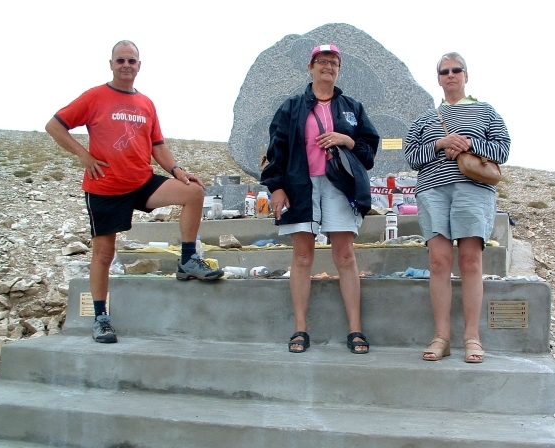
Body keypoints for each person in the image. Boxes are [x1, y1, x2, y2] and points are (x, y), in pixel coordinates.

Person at [45, 40, 223, 344]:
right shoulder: (94, 97)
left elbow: (157, 145)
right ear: (111, 64)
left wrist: (177, 171)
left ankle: (188, 261)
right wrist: (83, 156)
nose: (126, 65)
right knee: (104, 254)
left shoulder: (146, 103)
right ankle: (101, 318)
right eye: (120, 60)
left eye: (132, 61)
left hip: (141, 182)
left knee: (193, 191)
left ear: (139, 66)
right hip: (106, 187)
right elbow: (54, 125)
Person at [260, 44, 379, 354]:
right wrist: (276, 188)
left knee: (345, 256)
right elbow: (277, 150)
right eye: (322, 61)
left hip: (340, 186)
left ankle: (355, 329)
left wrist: (346, 139)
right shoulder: (291, 107)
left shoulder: (352, 107)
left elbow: (368, 153)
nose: (328, 66)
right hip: (301, 186)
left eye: (334, 62)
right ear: (310, 67)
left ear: (339, 69)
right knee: (302, 257)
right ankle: (300, 328)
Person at [404, 52, 510, 363]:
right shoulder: (426, 118)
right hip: (433, 190)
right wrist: (439, 144)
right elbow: (411, 156)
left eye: (456, 70)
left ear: (466, 75)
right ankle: (442, 337)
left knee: (470, 261)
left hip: (473, 190)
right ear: (438, 78)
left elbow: (502, 149)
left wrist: (469, 145)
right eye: (444, 71)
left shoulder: (486, 111)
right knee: (439, 261)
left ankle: (472, 337)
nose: (450, 75)